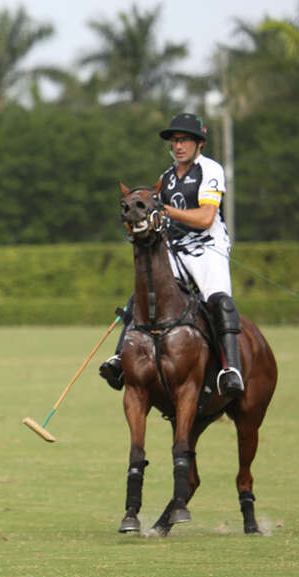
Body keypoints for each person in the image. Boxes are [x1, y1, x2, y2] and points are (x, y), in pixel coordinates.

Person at [100, 112, 244, 397]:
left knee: (220, 302)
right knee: (140, 297)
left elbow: (205, 218)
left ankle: (231, 370)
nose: (178, 146)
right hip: (175, 251)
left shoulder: (210, 170)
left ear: (199, 143)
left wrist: (164, 211)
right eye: (175, 141)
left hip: (207, 247)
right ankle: (119, 359)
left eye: (185, 140)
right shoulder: (165, 178)